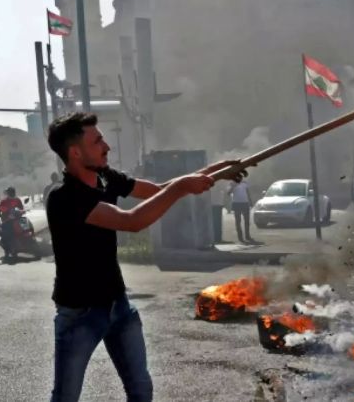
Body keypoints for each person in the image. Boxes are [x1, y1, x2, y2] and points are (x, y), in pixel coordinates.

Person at [45, 112, 238, 401]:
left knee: (140, 389)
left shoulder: (105, 177)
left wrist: (215, 172)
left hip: (117, 305)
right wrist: (183, 186)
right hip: (80, 314)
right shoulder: (65, 197)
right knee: (66, 397)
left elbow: (158, 191)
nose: (106, 146)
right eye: (97, 141)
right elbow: (132, 220)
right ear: (75, 152)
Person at [0, 187, 26, 257]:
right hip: (8, 220)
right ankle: (8, 249)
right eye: (10, 192)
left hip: (18, 218)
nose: (11, 193)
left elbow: (21, 208)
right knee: (6, 234)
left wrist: (22, 211)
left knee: (26, 225)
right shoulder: (4, 201)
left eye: (12, 192)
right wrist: (1, 213)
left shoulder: (17, 200)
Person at [227, 173, 254, 244]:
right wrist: (233, 186)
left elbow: (248, 192)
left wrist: (250, 201)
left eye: (241, 177)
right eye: (239, 177)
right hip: (236, 203)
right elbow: (228, 193)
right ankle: (240, 237)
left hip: (245, 203)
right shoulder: (232, 183)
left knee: (247, 221)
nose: (240, 179)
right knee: (238, 221)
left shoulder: (245, 183)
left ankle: (247, 236)